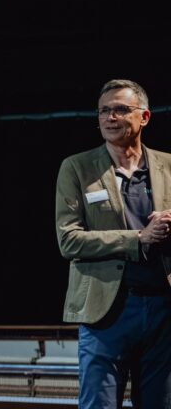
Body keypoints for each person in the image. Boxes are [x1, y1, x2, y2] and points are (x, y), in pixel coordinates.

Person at [56, 79, 171, 409]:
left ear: (144, 117)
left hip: (162, 309)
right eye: (104, 111)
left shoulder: (168, 165)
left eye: (121, 109)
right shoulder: (77, 167)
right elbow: (68, 239)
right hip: (106, 310)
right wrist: (138, 238)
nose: (110, 117)